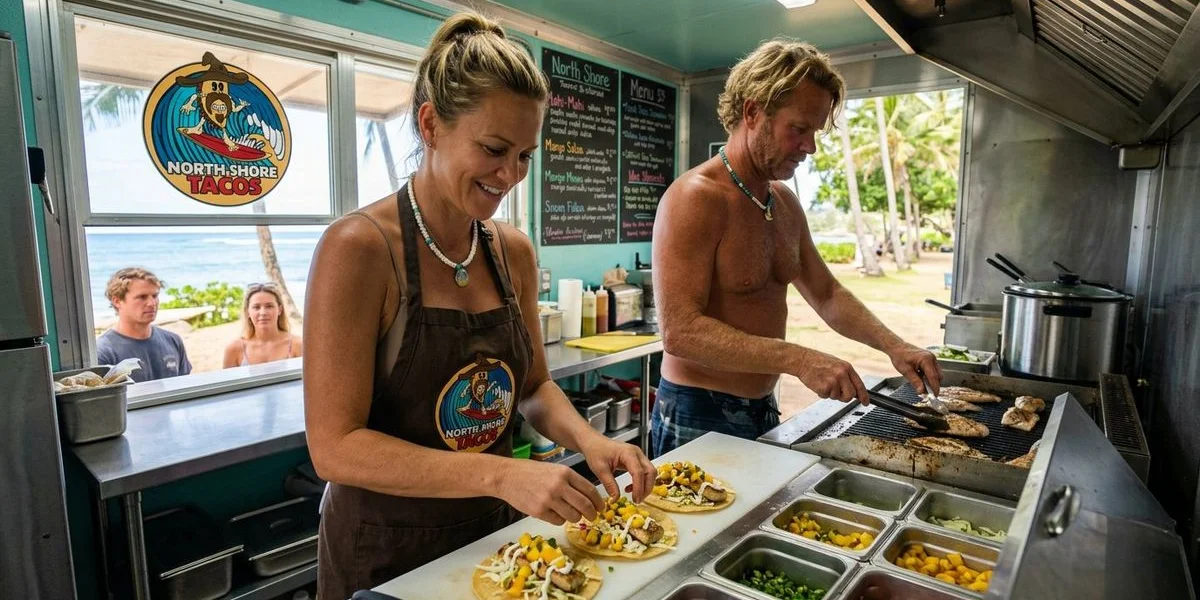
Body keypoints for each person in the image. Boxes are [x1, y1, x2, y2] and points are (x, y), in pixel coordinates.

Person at [303, 13, 655, 597]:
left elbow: (534, 388)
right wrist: (500, 472)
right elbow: (335, 446)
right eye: (494, 149)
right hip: (387, 554)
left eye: (524, 155)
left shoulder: (511, 252)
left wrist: (588, 442)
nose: (510, 174)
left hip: (498, 544)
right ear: (431, 124)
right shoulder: (359, 250)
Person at [650, 39, 942, 456]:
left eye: (815, 132)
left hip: (765, 407)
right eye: (799, 129)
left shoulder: (782, 202)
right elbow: (680, 332)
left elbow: (827, 293)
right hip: (697, 413)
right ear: (753, 113)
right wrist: (800, 359)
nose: (810, 147)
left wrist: (895, 346)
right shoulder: (695, 198)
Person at [95, 267, 192, 382]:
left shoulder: (173, 341)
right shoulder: (104, 352)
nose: (152, 303)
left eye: (155, 296)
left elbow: (183, 388)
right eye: (142, 297)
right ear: (117, 301)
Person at [222, 282, 303, 368]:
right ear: (248, 312)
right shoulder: (234, 349)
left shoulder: (298, 345)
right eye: (256, 307)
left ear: (279, 310)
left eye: (269, 306)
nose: (263, 313)